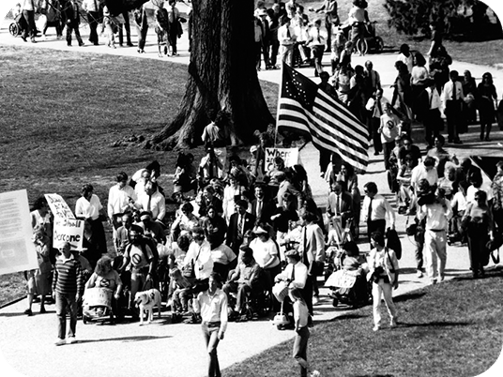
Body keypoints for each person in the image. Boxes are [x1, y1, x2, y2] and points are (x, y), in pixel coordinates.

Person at [193, 272, 228, 377]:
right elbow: (196, 311)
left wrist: (222, 330)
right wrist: (194, 298)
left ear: (217, 283)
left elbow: (224, 314)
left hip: (216, 326)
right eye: (210, 282)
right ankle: (218, 374)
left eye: (214, 282)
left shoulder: (222, 295)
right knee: (212, 353)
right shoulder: (202, 295)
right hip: (204, 326)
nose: (211, 284)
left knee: (210, 351)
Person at [417, 187, 452, 284]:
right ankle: (433, 277)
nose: (436, 198)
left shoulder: (446, 202)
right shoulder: (428, 203)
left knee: (442, 256)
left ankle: (441, 272)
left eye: (439, 197)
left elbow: (449, 215)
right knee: (431, 255)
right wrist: (420, 205)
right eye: (436, 196)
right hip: (430, 232)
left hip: (441, 232)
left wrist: (444, 205)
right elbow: (420, 216)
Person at [52, 242, 84, 345]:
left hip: (72, 291)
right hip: (59, 291)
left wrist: (79, 292)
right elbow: (55, 276)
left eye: (64, 248)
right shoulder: (58, 261)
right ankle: (61, 337)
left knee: (72, 313)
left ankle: (71, 335)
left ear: (69, 249)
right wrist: (53, 289)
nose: (62, 250)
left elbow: (79, 277)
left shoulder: (75, 262)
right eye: (60, 248)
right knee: (60, 313)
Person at [367, 231, 399, 331]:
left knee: (388, 301)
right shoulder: (372, 253)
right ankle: (377, 323)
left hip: (386, 280)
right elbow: (370, 267)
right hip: (376, 280)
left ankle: (393, 317)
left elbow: (396, 268)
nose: (371, 242)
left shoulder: (390, 252)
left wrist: (396, 280)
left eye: (372, 241)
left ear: (377, 242)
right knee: (376, 303)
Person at [123, 229, 157, 318]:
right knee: (134, 294)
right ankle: (135, 312)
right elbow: (126, 258)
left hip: (145, 271)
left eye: (136, 236)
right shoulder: (129, 247)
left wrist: (150, 272)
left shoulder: (144, 246)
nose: (134, 238)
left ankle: (148, 312)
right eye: (132, 236)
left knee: (146, 293)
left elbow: (152, 259)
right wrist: (122, 268)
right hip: (134, 271)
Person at [223, 246, 262, 320]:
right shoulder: (241, 263)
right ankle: (228, 307)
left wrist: (241, 281)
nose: (240, 258)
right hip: (238, 283)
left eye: (243, 256)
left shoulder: (255, 267)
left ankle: (238, 309)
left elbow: (250, 282)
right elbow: (236, 274)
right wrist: (231, 280)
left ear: (248, 257)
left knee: (242, 288)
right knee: (225, 286)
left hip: (248, 286)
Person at [462, 190, 494, 278]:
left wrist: (491, 234)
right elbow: (465, 216)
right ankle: (475, 270)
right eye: (476, 199)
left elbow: (490, 222)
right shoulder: (471, 205)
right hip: (472, 230)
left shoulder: (486, 208)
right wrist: (467, 221)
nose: (477, 201)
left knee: (481, 250)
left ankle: (481, 268)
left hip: (482, 230)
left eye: (479, 199)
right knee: (473, 251)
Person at [75, 183, 108, 257]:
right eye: (89, 191)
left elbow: (100, 207)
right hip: (88, 223)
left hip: (96, 221)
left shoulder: (95, 197)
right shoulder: (80, 201)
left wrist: (106, 216)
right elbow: (77, 214)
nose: (91, 193)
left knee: (99, 241)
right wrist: (85, 216)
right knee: (90, 241)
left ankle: (99, 255)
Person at [25, 230, 52, 316]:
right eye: (37, 234)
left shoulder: (47, 240)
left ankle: (42, 306)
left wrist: (37, 245)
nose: (38, 236)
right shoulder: (30, 239)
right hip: (31, 266)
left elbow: (45, 253)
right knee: (30, 286)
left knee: (42, 286)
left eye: (40, 234)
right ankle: (29, 307)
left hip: (42, 266)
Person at [290, 288, 315, 377]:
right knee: (302, 355)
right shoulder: (303, 303)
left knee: (296, 355)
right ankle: (303, 375)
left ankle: (312, 371)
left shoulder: (296, 304)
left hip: (300, 330)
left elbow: (297, 317)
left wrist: (296, 327)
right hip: (305, 329)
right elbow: (307, 314)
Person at [442, 70, 464, 144]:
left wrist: (466, 99)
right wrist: (444, 107)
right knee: (450, 122)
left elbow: (461, 94)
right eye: (453, 76)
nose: (454, 77)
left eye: (455, 76)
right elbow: (444, 96)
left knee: (457, 121)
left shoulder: (459, 84)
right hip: (449, 103)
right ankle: (450, 136)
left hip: (456, 103)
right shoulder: (447, 85)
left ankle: (456, 136)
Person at [378, 103, 400, 171]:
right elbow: (381, 126)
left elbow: (398, 124)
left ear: (389, 108)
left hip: (393, 136)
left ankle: (396, 165)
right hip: (385, 137)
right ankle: (387, 167)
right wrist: (379, 129)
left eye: (386, 108)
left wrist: (399, 133)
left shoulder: (394, 116)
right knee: (386, 153)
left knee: (395, 152)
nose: (385, 110)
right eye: (384, 109)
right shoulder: (382, 117)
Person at [477, 72, 498, 141]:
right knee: (483, 121)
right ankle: (482, 133)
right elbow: (478, 94)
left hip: (489, 104)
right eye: (485, 78)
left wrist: (496, 103)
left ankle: (487, 135)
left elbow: (494, 95)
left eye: (488, 78)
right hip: (482, 104)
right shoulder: (480, 85)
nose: (486, 79)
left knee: (489, 121)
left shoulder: (492, 86)